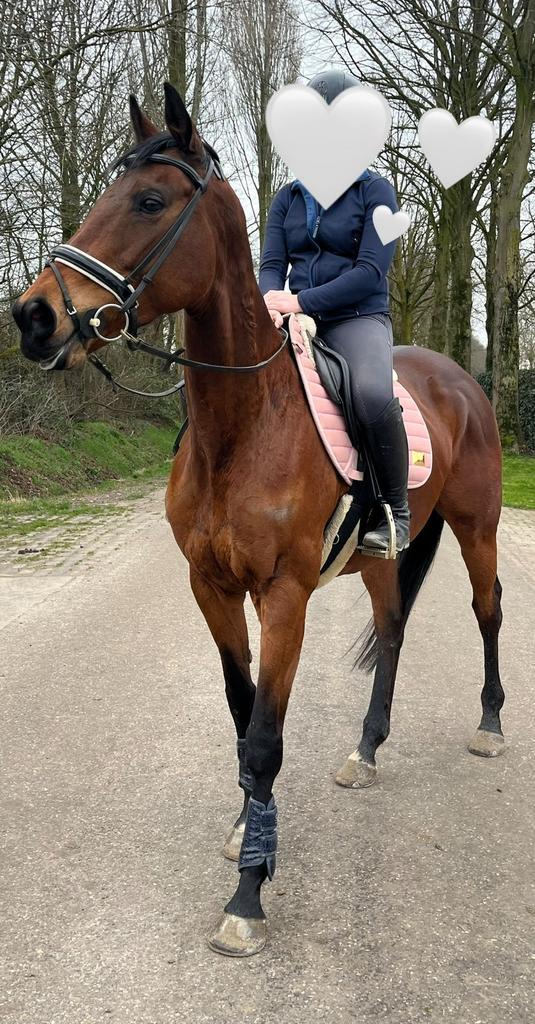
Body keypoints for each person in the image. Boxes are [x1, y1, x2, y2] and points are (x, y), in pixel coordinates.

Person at [259, 68, 410, 556]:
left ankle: (395, 513)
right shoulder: (288, 198)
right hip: (293, 320)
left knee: (369, 394)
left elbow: (370, 273)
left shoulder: (378, 193)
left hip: (357, 319)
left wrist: (301, 301)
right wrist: (270, 303)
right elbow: (271, 265)